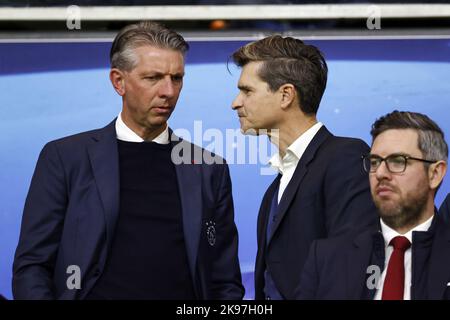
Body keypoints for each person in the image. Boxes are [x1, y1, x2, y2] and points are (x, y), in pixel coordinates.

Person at [12, 21, 244, 300]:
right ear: (118, 81)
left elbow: (224, 279)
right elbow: (33, 266)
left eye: (177, 78)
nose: (168, 91)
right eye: (153, 78)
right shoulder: (65, 157)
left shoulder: (208, 168)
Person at [231, 35, 378, 300]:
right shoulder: (273, 192)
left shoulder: (346, 157)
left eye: (247, 91)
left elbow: (352, 271)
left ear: (286, 95)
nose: (236, 102)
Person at [297, 111, 449, 300]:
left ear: (434, 174)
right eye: (375, 162)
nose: (380, 173)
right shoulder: (326, 259)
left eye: (397, 161)